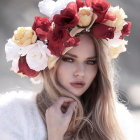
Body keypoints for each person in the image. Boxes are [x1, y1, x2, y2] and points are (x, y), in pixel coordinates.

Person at [1, 0, 137, 140]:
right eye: (69, 59)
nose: (81, 72)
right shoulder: (14, 115)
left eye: (90, 62)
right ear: (50, 61)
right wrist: (55, 135)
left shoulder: (117, 119)